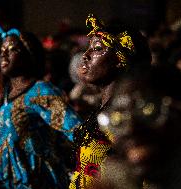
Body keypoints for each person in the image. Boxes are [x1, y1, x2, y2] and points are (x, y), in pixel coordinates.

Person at [0, 25, 82, 189]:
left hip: (42, 182)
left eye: (13, 49)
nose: (4, 54)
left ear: (29, 55)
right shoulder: (6, 96)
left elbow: (77, 131)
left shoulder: (40, 91)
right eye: (2, 49)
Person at [69, 14, 151, 189]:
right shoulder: (102, 110)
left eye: (97, 49)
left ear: (120, 60)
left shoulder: (128, 117)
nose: (86, 55)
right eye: (88, 47)